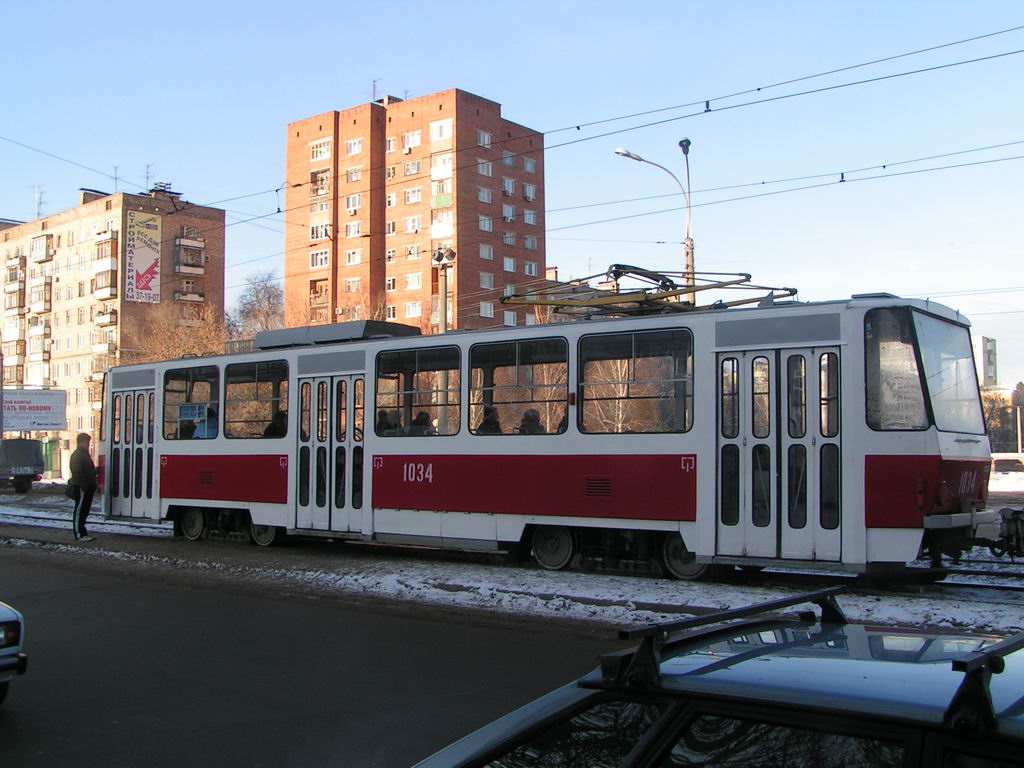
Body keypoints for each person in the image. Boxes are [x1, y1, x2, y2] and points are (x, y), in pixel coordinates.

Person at [68, 432, 97, 542]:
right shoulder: (77, 455)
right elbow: (77, 472)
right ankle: (78, 534)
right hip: (81, 487)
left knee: (85, 510)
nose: (88, 444)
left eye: (88, 442)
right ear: (80, 442)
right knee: (80, 510)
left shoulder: (84, 454)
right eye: (86, 442)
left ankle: (83, 532)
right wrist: (83, 485)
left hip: (87, 487)